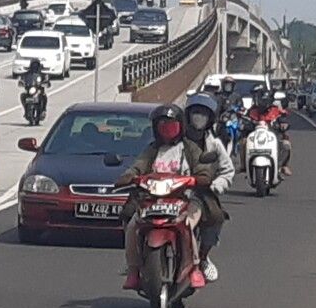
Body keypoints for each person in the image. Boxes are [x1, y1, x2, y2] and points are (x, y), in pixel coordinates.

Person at [114, 104, 213, 291]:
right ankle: (133, 270)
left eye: (171, 125)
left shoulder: (190, 148)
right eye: (162, 126)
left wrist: (199, 177)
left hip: (185, 200)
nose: (167, 130)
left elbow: (203, 167)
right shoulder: (151, 150)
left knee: (189, 224)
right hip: (152, 201)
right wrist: (129, 176)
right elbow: (138, 166)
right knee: (133, 225)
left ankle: (195, 267)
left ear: (181, 126)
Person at [184, 93, 234, 282]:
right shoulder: (175, 139)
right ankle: (137, 260)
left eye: (203, 114)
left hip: (201, 192)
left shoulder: (214, 144)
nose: (199, 118)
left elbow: (227, 170)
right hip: (170, 191)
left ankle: (203, 257)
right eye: (195, 113)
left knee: (216, 217)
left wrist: (216, 185)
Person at [244, 85, 292, 177]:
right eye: (261, 98)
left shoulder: (276, 110)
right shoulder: (252, 111)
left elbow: (283, 119)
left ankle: (283, 165)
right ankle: (243, 165)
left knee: (286, 144)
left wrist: (283, 124)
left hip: (273, 136)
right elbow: (245, 119)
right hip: (255, 138)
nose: (264, 102)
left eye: (266, 99)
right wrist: (245, 124)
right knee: (243, 142)